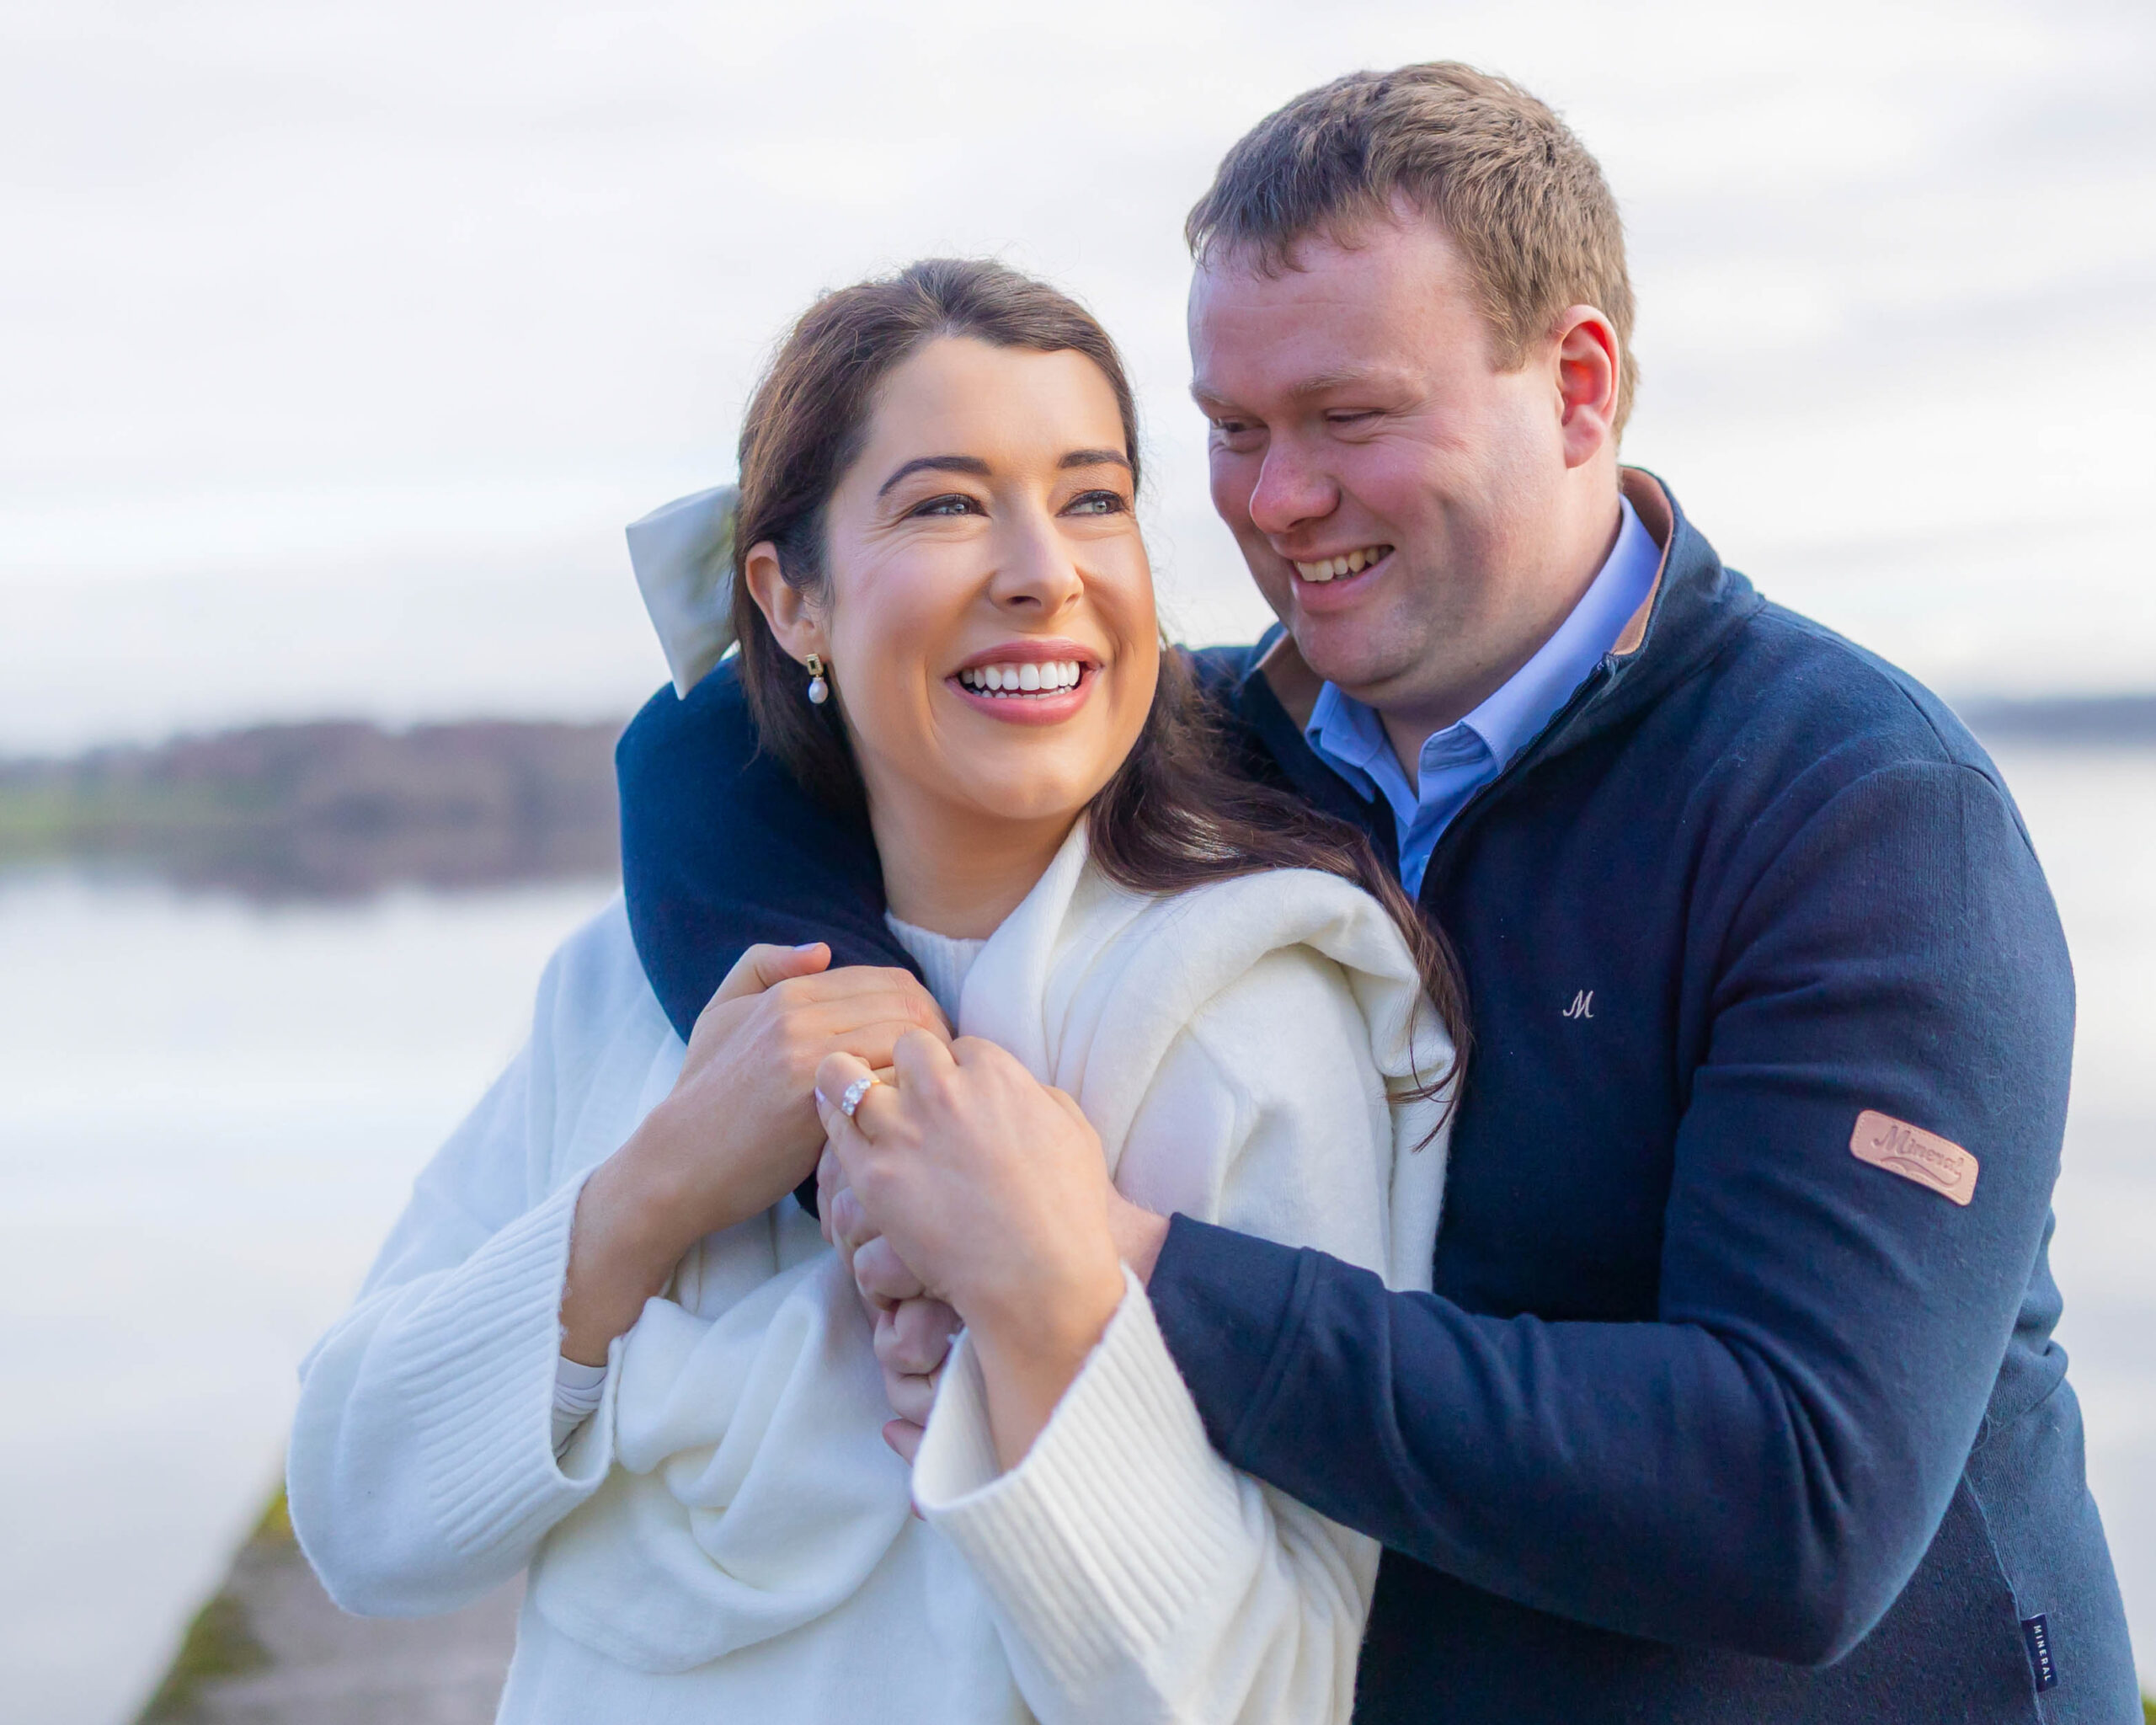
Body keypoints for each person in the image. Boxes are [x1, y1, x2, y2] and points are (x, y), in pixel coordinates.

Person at [619, 65, 2141, 1722]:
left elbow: (1795, 1503)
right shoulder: (1202, 751)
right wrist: (898, 1119)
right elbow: (702, 744)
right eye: (1232, 430)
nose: (1277, 502)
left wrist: (1109, 1267)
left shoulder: (1859, 813)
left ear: (1575, 388)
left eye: (1349, 418)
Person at [286, 257, 1467, 1724]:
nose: (1041, 570)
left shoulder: (1253, 1018)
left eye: (1094, 499)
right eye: (946, 506)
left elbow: (1275, 1692)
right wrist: (652, 1192)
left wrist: (1042, 1313)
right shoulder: (619, 989)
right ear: (790, 600)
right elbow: (358, 1517)